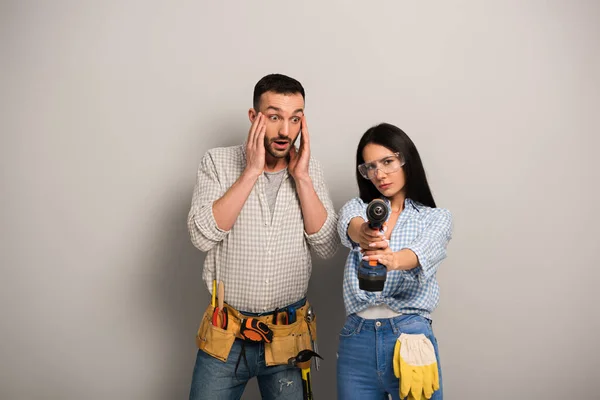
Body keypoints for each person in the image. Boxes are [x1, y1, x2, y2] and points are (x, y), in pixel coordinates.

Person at [187, 73, 339, 400]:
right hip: (225, 335)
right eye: (274, 117)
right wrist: (252, 171)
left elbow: (327, 246)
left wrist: (302, 179)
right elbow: (200, 236)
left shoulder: (310, 172)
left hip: (288, 336)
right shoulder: (217, 162)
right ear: (254, 117)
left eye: (294, 119)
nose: (285, 131)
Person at [336, 123, 453, 400]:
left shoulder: (436, 218)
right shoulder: (358, 207)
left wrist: (391, 260)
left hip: (410, 337)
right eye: (370, 167)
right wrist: (364, 233)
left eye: (387, 162)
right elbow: (351, 225)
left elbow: (420, 254)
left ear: (405, 159)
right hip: (357, 339)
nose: (380, 174)